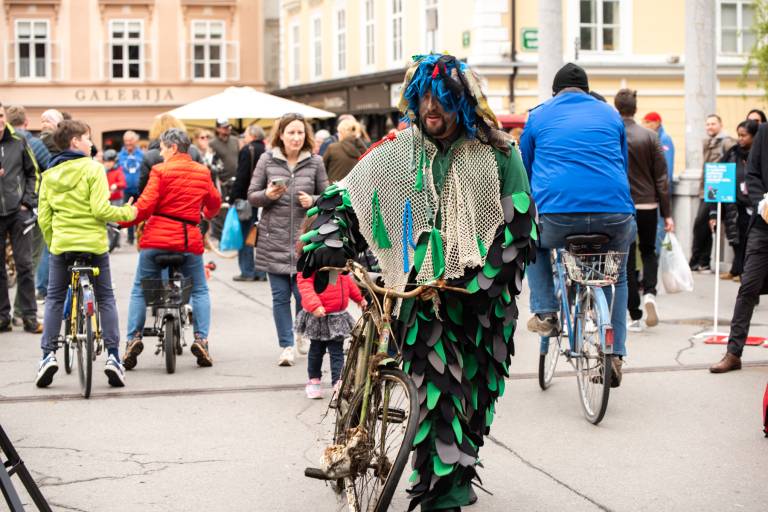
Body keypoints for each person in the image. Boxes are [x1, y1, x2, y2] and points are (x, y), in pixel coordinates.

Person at [299, 54, 536, 511]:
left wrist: (486, 280)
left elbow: (520, 226)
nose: (431, 107)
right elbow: (347, 194)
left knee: (478, 393)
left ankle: (460, 469)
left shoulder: (500, 153)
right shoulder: (398, 150)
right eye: (424, 97)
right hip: (422, 293)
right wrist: (330, 236)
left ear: (462, 102)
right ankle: (440, 495)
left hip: (484, 299)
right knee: (440, 392)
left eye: (442, 98)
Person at [520, 63, 635, 381]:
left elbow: (525, 168)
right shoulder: (611, 114)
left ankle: (546, 311)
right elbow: (622, 164)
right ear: (586, 90)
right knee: (617, 277)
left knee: (532, 241)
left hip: (558, 216)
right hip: (614, 215)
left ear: (555, 92)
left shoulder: (538, 115)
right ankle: (615, 353)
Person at [34, 120, 137, 388]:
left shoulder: (49, 175)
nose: (91, 143)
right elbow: (101, 210)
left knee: (54, 298)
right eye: (87, 138)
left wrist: (54, 242)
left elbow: (44, 218)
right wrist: (128, 212)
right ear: (75, 142)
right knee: (106, 298)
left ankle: (48, 356)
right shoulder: (94, 169)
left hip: (63, 246)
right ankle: (113, 357)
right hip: (93, 246)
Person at [122, 129, 221, 370]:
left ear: (173, 147)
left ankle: (133, 338)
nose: (160, 153)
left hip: (156, 240)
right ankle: (201, 340)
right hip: (188, 241)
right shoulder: (202, 172)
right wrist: (205, 215)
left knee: (140, 289)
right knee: (199, 289)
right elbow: (215, 202)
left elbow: (145, 207)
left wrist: (121, 221)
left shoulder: (160, 171)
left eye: (163, 148)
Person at [248, 113, 328, 367]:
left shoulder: (315, 162)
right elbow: (252, 195)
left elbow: (328, 196)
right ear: (281, 135)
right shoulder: (266, 159)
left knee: (303, 294)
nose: (296, 137)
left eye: (300, 132)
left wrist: (313, 200)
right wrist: (268, 194)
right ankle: (286, 346)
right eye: (291, 132)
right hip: (274, 238)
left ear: (306, 135)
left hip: (305, 240)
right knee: (280, 297)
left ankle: (300, 332)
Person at [710, 122, 768, 373]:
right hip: (763, 226)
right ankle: (733, 353)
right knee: (748, 288)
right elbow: (752, 174)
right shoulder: (764, 132)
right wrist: (762, 203)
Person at [614, 89, 674, 331]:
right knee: (649, 251)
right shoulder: (650, 136)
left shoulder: (613, 134)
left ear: (616, 108)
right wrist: (667, 213)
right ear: (635, 109)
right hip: (648, 203)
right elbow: (662, 178)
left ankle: (635, 314)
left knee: (627, 258)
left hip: (622, 205)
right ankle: (650, 292)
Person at [296, 218, 366, 399]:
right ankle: (314, 380)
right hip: (318, 316)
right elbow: (305, 285)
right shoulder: (310, 262)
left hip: (337, 316)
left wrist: (359, 299)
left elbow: (346, 281)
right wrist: (315, 305)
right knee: (316, 351)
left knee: (337, 352)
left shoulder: (337, 258)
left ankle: (338, 383)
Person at [0, 101, 41, 333]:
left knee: (24, 265)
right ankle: (2, 317)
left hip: (18, 212)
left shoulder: (19, 140)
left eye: (0, 115)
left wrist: (28, 202)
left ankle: (29, 316)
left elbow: (33, 173)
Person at [6, 105, 51, 303]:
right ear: (26, 122)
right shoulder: (34, 143)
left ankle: (9, 311)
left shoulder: (8, 143)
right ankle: (23, 308)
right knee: (30, 260)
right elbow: (49, 171)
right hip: (31, 208)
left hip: (9, 207)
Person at [709, 120, 759, 281]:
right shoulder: (732, 153)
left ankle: (745, 272)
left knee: (750, 240)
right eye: (739, 135)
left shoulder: (760, 153)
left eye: (744, 135)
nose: (740, 139)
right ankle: (737, 269)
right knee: (736, 238)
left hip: (755, 204)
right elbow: (718, 176)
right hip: (735, 204)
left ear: (754, 136)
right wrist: (713, 210)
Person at [690, 114, 736, 272]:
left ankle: (698, 261)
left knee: (701, 225)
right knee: (704, 226)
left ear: (720, 125)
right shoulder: (709, 142)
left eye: (713, 123)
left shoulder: (727, 142)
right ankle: (702, 262)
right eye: (708, 124)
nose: (710, 126)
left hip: (718, 190)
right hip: (707, 190)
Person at [231, 123, 267, 282]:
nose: (244, 137)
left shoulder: (247, 149)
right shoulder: (267, 150)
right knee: (261, 236)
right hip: (265, 198)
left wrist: (233, 197)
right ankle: (262, 272)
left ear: (253, 135)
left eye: (245, 134)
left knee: (246, 234)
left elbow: (242, 176)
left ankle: (247, 271)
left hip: (247, 198)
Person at [138, 114, 203, 196]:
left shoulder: (149, 156)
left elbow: (143, 187)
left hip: (161, 200)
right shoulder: (193, 151)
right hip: (190, 198)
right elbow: (202, 179)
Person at [116, 130, 144, 245]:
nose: (128, 143)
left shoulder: (142, 154)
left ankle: (140, 235)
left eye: (130, 140)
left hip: (139, 188)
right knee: (128, 212)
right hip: (126, 190)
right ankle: (130, 237)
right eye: (126, 141)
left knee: (140, 212)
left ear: (136, 141)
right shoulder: (120, 156)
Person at [322, 118, 367, 182]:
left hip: (336, 187)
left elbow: (322, 169)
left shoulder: (333, 148)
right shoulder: (363, 150)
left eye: (338, 132)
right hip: (356, 187)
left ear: (342, 133)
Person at [104, 149, 127, 250]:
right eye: (106, 161)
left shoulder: (118, 171)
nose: (107, 164)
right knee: (108, 221)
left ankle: (117, 241)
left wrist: (116, 185)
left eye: (110, 161)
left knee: (116, 221)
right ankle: (111, 241)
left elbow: (123, 183)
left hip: (117, 199)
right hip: (107, 199)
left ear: (115, 161)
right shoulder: (104, 172)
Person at [210, 118, 240, 186]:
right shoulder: (212, 143)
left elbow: (240, 157)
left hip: (236, 179)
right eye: (224, 127)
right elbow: (211, 163)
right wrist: (217, 180)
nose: (227, 129)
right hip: (222, 182)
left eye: (228, 127)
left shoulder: (235, 140)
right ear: (217, 129)